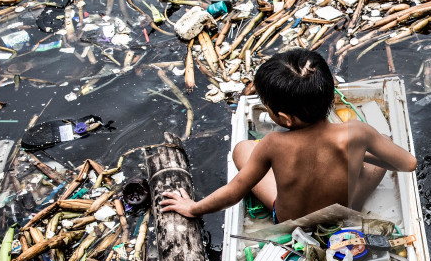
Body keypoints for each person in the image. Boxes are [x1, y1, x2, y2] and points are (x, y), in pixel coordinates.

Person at [160, 49, 417, 222]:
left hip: (292, 221)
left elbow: (235, 191)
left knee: (242, 149)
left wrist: (193, 208)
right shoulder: (358, 133)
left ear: (285, 118)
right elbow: (408, 163)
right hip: (345, 209)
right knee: (385, 142)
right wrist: (362, 155)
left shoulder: (273, 144)